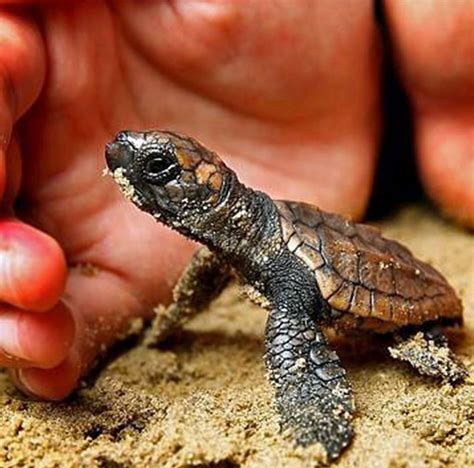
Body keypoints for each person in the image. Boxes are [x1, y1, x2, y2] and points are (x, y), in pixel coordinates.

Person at [0, 1, 472, 400]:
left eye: (159, 168)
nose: (129, 160)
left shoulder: (281, 263)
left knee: (291, 334)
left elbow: (295, 321)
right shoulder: (231, 248)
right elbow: (199, 284)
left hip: (415, 306)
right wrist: (170, 327)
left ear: (210, 197)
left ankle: (325, 406)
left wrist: (311, 404)